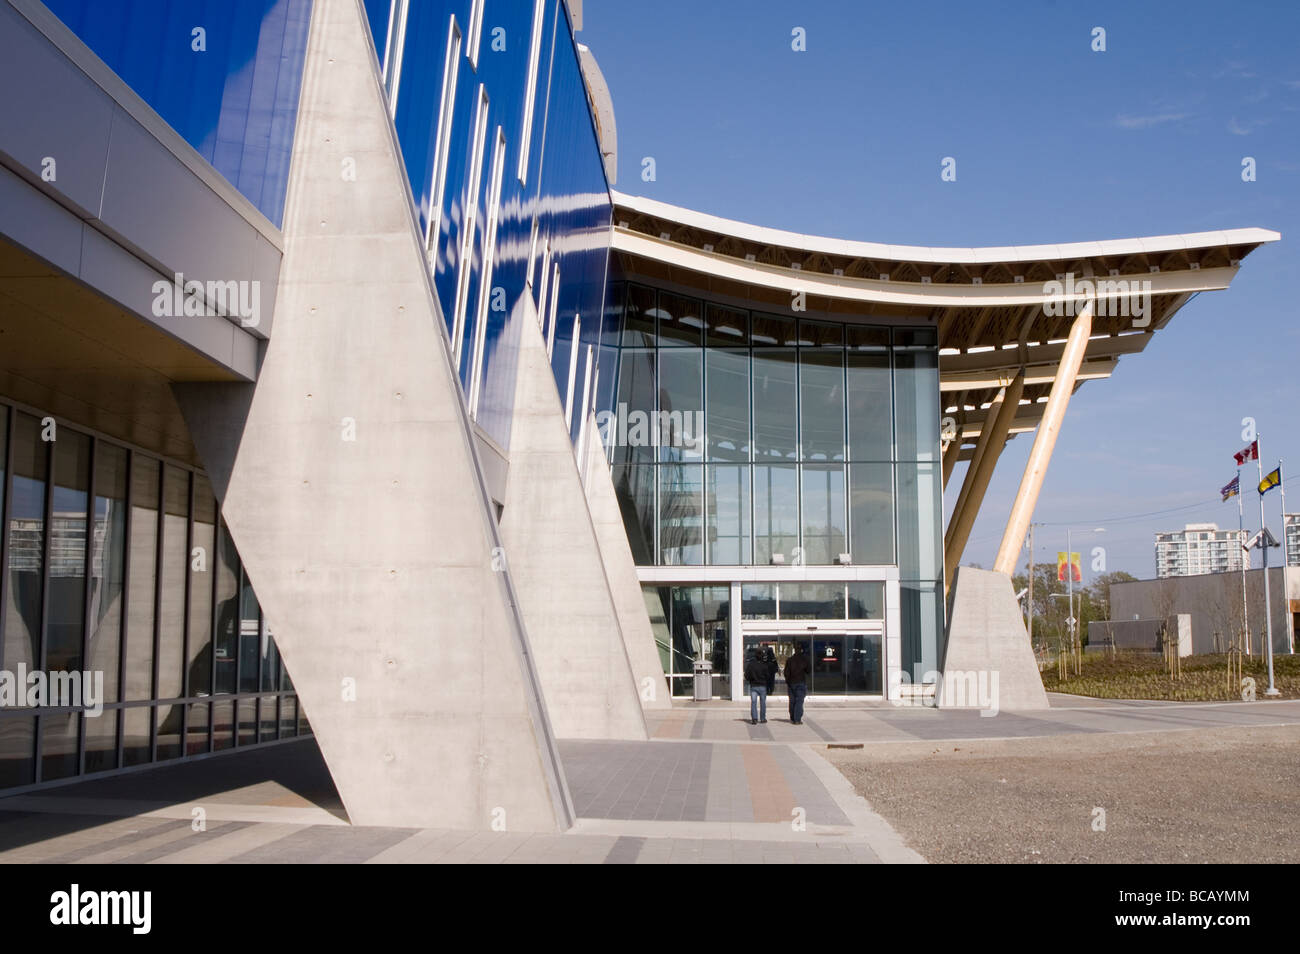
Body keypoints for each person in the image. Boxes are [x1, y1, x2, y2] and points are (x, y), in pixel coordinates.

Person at [783, 642, 809, 725]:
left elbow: (786, 672)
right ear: (801, 650)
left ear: (794, 650)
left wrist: (788, 680)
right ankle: (797, 719)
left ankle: (792, 717)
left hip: (791, 683)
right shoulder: (804, 659)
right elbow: (808, 671)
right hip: (801, 682)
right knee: (799, 701)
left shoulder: (790, 660)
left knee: (792, 700)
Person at [744, 647, 769, 725]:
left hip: (754, 686)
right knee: (763, 703)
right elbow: (768, 676)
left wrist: (751, 679)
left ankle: (754, 719)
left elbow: (746, 675)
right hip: (762, 685)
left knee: (753, 702)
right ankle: (762, 718)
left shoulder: (751, 665)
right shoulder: (765, 665)